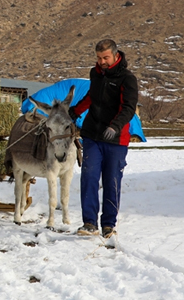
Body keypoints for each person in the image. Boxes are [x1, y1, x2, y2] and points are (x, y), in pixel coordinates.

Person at [68, 39, 138, 239]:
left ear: (116, 55)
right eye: (99, 58)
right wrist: (76, 111)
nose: (102, 62)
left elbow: (128, 108)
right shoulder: (95, 73)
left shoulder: (127, 79)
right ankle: (89, 223)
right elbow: (92, 96)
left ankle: (108, 224)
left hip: (116, 140)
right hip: (92, 135)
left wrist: (115, 126)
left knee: (111, 180)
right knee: (89, 177)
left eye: (105, 58)